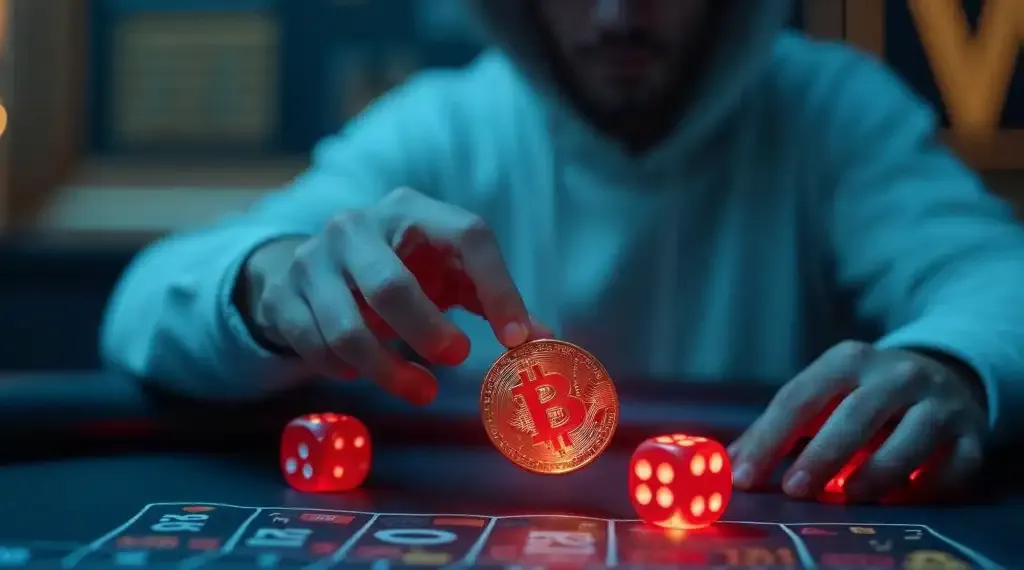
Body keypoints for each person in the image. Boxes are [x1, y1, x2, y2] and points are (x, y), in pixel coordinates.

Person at [101, 0, 1024, 504]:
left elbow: (998, 278)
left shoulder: (831, 111)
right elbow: (144, 307)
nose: (618, 15)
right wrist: (273, 281)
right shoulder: (445, 124)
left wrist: (949, 362)